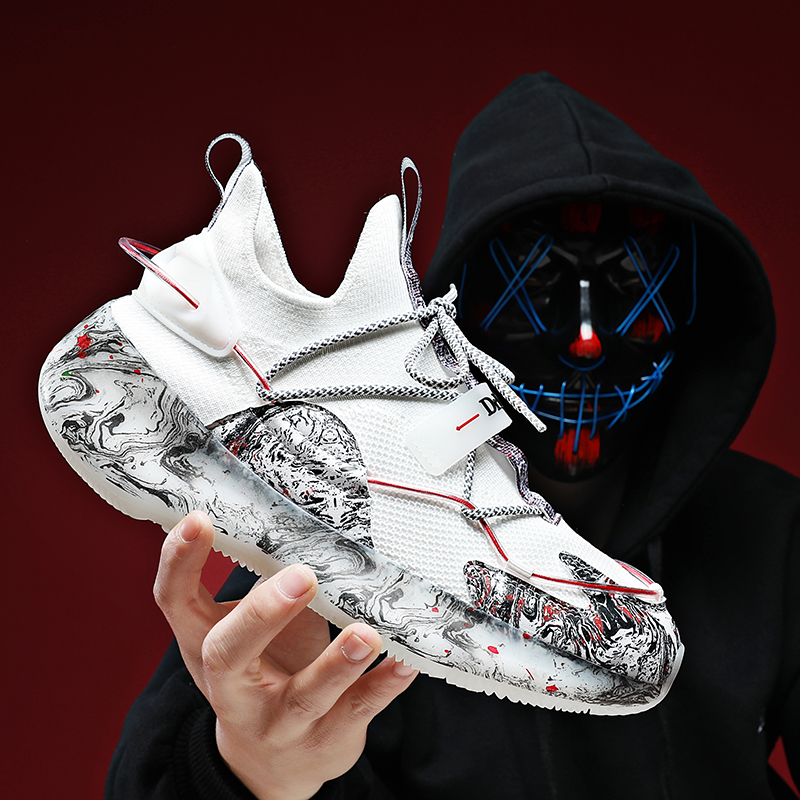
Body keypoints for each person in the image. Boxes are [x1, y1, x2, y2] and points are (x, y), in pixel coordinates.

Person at [105, 74, 800, 799]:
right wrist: (247, 773)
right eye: (536, 290)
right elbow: (155, 776)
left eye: (629, 289)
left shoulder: (773, 533)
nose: (586, 341)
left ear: (695, 311)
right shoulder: (346, 541)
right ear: (452, 320)